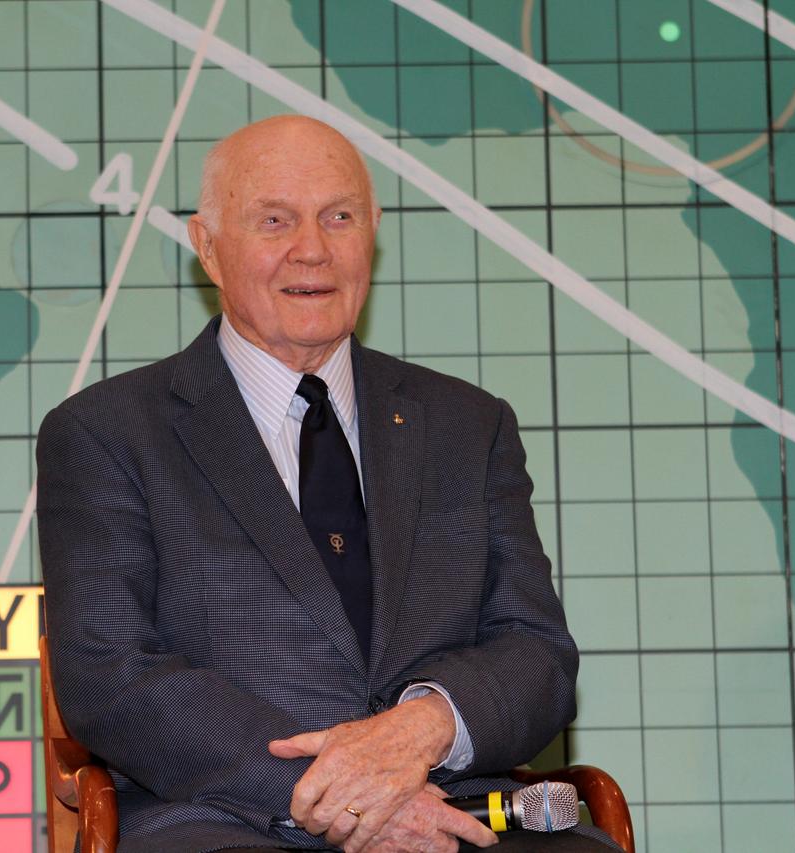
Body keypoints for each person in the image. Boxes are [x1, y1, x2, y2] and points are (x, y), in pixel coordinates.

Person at [37, 115, 618, 852]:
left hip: (457, 809)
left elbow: (537, 656)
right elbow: (112, 675)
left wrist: (427, 724)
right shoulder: (106, 433)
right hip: (227, 818)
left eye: (339, 217)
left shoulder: (470, 426)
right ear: (207, 247)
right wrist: (340, 793)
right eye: (273, 220)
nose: (311, 249)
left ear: (373, 233)